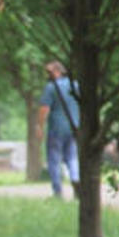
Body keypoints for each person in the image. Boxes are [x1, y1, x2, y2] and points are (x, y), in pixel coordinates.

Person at [37, 60, 80, 198]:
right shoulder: (76, 85)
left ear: (57, 71)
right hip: (74, 128)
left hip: (56, 129)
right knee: (72, 158)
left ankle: (57, 191)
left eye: (49, 72)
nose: (47, 75)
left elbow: (44, 108)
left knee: (54, 160)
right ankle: (75, 181)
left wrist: (40, 126)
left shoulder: (51, 88)